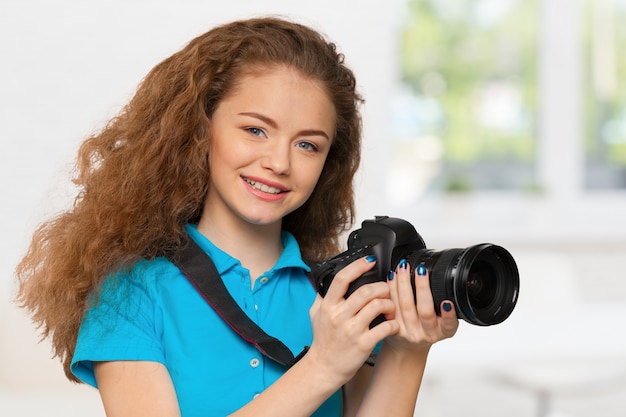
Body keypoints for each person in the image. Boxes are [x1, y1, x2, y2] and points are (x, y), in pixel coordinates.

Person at [16, 17, 458, 416]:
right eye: (255, 130)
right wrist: (322, 366)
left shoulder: (336, 295)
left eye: (308, 144)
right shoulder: (132, 293)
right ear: (199, 129)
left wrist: (406, 351)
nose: (279, 162)